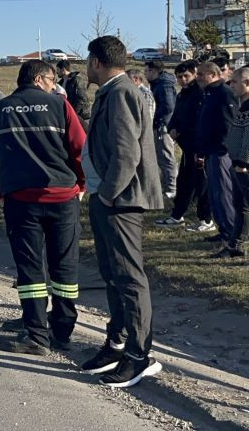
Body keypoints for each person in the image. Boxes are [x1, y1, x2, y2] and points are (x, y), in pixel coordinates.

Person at [0, 60, 86, 356]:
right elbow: (80, 148)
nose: (54, 84)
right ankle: (62, 331)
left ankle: (36, 333)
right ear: (39, 79)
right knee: (64, 264)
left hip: (20, 200)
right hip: (62, 196)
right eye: (51, 79)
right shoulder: (60, 106)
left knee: (30, 268)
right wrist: (81, 185)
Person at [81, 36, 164, 388]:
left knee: (129, 277)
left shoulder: (121, 92)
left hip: (121, 199)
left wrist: (110, 194)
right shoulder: (113, 91)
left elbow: (127, 152)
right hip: (108, 197)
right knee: (112, 273)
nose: (85, 67)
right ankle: (116, 342)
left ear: (97, 61)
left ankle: (138, 354)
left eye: (88, 60)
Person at [160, 61, 214, 230]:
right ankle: (177, 215)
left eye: (186, 76)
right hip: (186, 147)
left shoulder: (199, 93)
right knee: (184, 182)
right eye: (179, 77)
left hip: (197, 145)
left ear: (194, 74)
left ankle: (206, 219)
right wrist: (171, 128)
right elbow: (176, 114)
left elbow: (197, 118)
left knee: (202, 183)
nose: (183, 80)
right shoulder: (182, 94)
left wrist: (181, 130)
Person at [194, 60, 240, 250]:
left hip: (221, 151)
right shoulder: (210, 93)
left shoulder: (223, 93)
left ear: (213, 75)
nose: (198, 78)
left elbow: (227, 123)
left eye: (201, 74)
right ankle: (223, 228)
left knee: (223, 193)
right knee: (215, 193)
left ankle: (231, 231)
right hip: (211, 150)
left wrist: (222, 147)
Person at [220, 66, 249, 259]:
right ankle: (236, 244)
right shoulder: (242, 104)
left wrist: (244, 162)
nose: (232, 85)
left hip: (243, 165)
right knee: (240, 206)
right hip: (236, 161)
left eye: (235, 82)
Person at [145, 61, 178, 201]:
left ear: (154, 71)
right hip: (161, 124)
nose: (145, 74)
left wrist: (156, 118)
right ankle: (167, 186)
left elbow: (168, 106)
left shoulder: (164, 85)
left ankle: (172, 188)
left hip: (163, 125)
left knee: (166, 156)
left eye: (146, 71)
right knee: (162, 156)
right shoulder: (158, 84)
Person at [57, 59, 92, 128]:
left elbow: (82, 99)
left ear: (63, 69)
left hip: (81, 116)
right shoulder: (60, 84)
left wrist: (74, 113)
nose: (57, 72)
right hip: (69, 116)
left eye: (58, 70)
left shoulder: (77, 80)